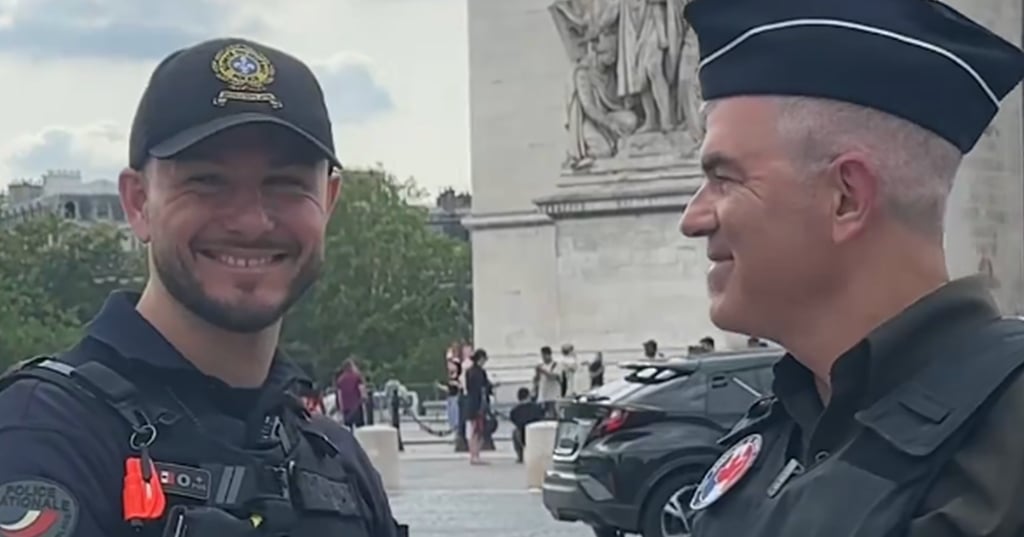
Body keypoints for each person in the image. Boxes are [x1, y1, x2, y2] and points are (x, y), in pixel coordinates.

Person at [0, 37, 402, 537]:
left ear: (329, 201)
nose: (252, 220)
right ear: (138, 202)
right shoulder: (38, 439)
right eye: (208, 181)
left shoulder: (337, 460)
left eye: (285, 183)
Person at [678, 0, 1024, 535]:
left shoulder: (1008, 433)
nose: (692, 219)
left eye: (725, 178)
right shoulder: (786, 419)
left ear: (846, 198)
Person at [463, 349, 493, 465]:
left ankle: (474, 455)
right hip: (478, 404)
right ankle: (475, 455)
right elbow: (483, 388)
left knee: (474, 430)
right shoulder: (480, 372)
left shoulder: (469, 371)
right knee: (477, 431)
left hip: (471, 402)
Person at [509, 387, 546, 463]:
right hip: (535, 433)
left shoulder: (515, 410)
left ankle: (520, 456)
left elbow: (513, 420)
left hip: (521, 432)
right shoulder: (536, 407)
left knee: (514, 432)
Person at [336, 358, 367, 429]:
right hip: (356, 406)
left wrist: (340, 408)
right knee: (360, 428)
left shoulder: (340, 379)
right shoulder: (357, 377)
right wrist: (364, 399)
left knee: (348, 428)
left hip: (346, 408)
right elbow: (362, 390)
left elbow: (339, 395)